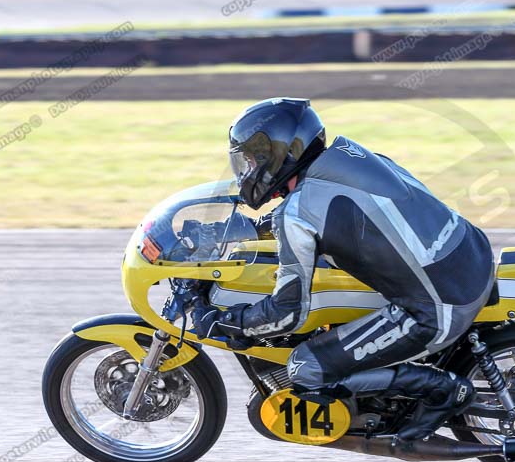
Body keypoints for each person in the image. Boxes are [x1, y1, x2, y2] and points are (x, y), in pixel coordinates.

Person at [193, 97, 496, 441]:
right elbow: (334, 214)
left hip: (437, 309)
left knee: (306, 367)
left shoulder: (296, 214)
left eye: (250, 161)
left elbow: (287, 315)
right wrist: (234, 230)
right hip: (473, 253)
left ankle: (442, 389)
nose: (246, 171)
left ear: (279, 155)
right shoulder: (351, 156)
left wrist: (228, 321)